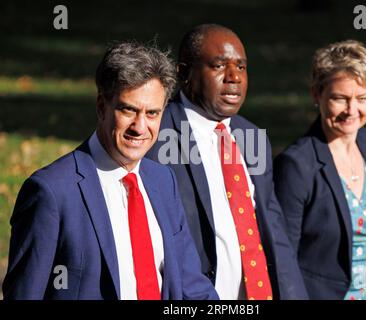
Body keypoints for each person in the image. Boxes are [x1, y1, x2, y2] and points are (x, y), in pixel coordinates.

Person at [2, 41, 219, 300]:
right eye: (129, 110)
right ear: (102, 106)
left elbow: (191, 287)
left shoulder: (163, 181)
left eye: (152, 113)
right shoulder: (52, 191)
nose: (140, 127)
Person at [146, 24, 308, 300]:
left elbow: (273, 230)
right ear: (184, 73)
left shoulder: (252, 136)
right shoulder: (156, 136)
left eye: (241, 67)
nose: (233, 77)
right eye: (219, 66)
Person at [273, 40, 366, 300]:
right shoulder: (296, 165)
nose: (352, 111)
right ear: (316, 95)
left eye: (362, 98)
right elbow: (283, 263)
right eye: (340, 98)